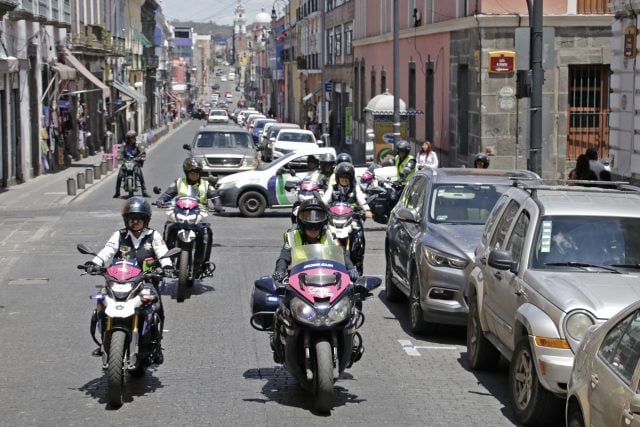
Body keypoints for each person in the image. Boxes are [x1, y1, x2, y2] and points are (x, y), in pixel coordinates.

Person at [84, 197, 173, 363]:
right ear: (126, 220)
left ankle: (156, 344)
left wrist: (166, 266)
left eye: (139, 219)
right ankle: (105, 342)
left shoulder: (153, 236)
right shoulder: (119, 235)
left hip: (145, 281)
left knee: (157, 307)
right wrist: (94, 263)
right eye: (131, 219)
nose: (135, 222)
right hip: (119, 280)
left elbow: (162, 252)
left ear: (146, 220)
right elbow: (107, 251)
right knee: (102, 303)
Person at [155, 157, 221, 277]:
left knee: (207, 232)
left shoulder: (206, 184)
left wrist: (217, 206)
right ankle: (165, 260)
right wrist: (160, 200)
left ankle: (205, 263)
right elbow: (167, 194)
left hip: (199, 214)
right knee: (169, 226)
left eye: (196, 172)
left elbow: (215, 197)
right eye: (192, 172)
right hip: (180, 212)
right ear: (186, 172)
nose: (194, 174)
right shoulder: (178, 182)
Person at [272, 198, 359, 283]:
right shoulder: (292, 237)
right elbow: (283, 258)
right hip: (298, 281)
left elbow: (342, 255)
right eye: (310, 226)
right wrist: (279, 271)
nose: (313, 228)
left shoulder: (331, 236)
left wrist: (351, 268)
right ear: (301, 223)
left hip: (328, 280)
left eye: (316, 227)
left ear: (323, 224)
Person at [114, 130, 148, 198]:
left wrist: (142, 157)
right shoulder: (124, 145)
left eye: (134, 137)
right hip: (126, 162)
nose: (134, 139)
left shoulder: (137, 145)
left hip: (135, 162)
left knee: (140, 175)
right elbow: (120, 152)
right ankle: (117, 192)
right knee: (120, 176)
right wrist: (119, 156)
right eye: (132, 137)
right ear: (128, 139)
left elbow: (142, 151)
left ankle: (144, 191)